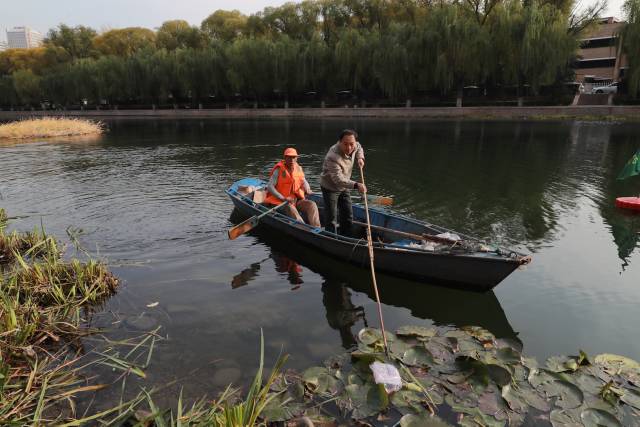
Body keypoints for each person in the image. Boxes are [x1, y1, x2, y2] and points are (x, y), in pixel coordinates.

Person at [320, 129, 366, 236]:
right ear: (339, 142)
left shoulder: (354, 145)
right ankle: (330, 237)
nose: (349, 148)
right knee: (331, 217)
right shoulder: (332, 156)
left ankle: (347, 236)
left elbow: (359, 147)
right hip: (330, 187)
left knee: (348, 214)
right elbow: (338, 179)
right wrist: (356, 185)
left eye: (351, 144)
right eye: (345, 144)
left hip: (344, 186)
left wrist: (360, 158)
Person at [264, 147, 321, 227]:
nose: (291, 160)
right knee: (290, 207)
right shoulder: (279, 169)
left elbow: (303, 181)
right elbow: (270, 186)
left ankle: (316, 228)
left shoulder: (298, 168)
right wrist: (283, 198)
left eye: (293, 157)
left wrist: (307, 188)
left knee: (312, 204)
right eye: (289, 157)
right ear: (285, 158)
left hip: (296, 200)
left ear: (297, 158)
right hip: (280, 201)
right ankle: (303, 228)